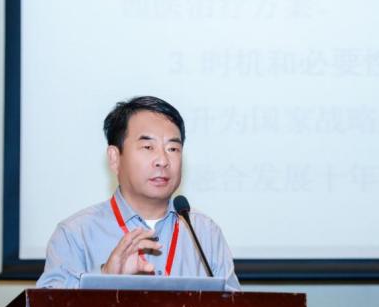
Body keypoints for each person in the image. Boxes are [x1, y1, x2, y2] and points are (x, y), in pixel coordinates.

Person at [36, 96, 240, 290]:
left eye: (172, 149)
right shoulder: (75, 235)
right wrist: (105, 279)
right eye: (148, 147)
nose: (163, 160)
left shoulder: (204, 233)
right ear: (115, 158)